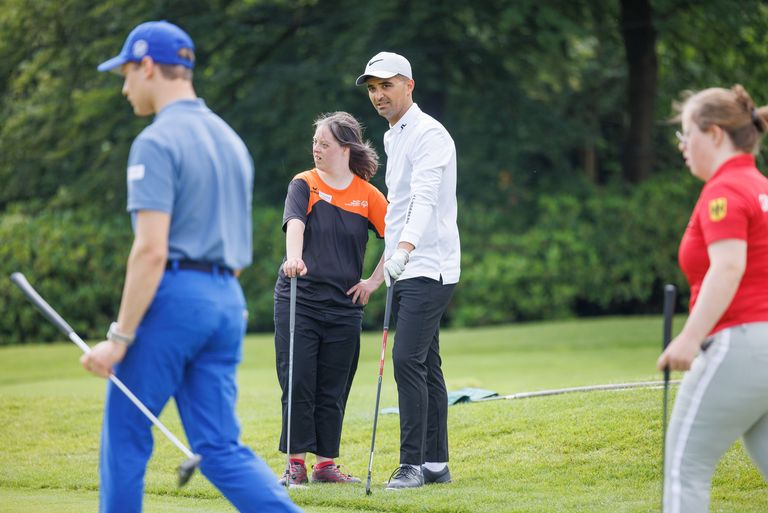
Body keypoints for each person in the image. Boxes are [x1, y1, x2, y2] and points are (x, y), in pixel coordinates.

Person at [81, 20, 302, 513]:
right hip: (226, 301)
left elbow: (151, 250)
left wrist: (118, 341)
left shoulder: (155, 142)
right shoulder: (230, 140)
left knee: (125, 438)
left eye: (125, 74)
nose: (124, 87)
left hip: (175, 298)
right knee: (220, 447)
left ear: (147, 66)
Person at [657, 84, 768, 512]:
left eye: (688, 134)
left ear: (716, 134)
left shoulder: (723, 191)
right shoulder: (760, 186)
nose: (683, 147)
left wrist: (688, 338)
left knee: (686, 470)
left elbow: (728, 267)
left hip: (737, 347)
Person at [355, 51, 461, 489]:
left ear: (409, 85)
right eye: (373, 88)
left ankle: (411, 464)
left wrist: (404, 249)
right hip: (405, 264)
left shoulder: (429, 134)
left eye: (387, 85)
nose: (378, 95)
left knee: (406, 360)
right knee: (427, 363)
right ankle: (436, 463)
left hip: (428, 265)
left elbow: (424, 198)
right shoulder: (394, 135)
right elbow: (398, 209)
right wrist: (381, 271)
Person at [275, 112, 388, 485]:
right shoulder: (304, 183)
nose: (316, 149)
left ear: (345, 148)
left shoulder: (368, 195)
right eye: (315, 143)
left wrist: (373, 282)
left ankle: (325, 465)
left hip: (344, 307)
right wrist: (295, 257)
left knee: (334, 384)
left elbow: (401, 236)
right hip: (300, 298)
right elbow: (295, 223)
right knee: (299, 379)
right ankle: (295, 464)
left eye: (324, 144)